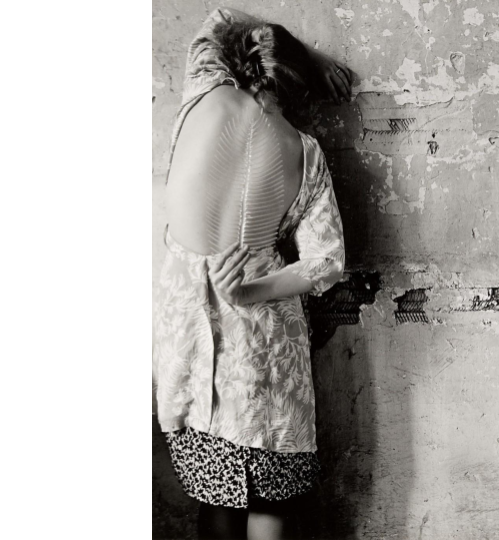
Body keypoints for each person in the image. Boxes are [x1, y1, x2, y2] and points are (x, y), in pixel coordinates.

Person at [153, 7, 351, 540]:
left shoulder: (202, 88)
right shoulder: (304, 153)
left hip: (190, 335)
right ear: (296, 88)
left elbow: (219, 14)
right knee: (271, 501)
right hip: (263, 340)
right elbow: (327, 262)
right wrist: (250, 290)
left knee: (217, 498)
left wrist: (306, 52)